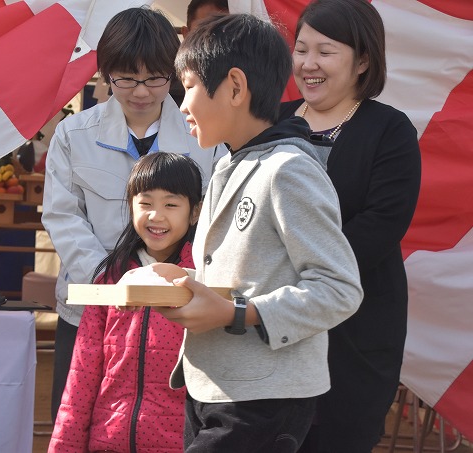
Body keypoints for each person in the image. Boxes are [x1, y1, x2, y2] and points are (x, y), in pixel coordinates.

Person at [153, 14, 364, 452]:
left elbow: (339, 288)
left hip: (265, 398)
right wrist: (183, 284)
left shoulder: (288, 169)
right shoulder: (228, 164)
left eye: (188, 86)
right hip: (212, 387)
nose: (181, 105)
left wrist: (236, 313)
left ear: (233, 86)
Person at [41, 6, 224, 424]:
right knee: (79, 422)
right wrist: (110, 282)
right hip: (90, 309)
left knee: (167, 427)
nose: (141, 91)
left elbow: (212, 219)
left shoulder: (204, 138)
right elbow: (63, 217)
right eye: (126, 78)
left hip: (175, 312)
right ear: (105, 73)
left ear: (175, 73)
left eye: (155, 78)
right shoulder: (74, 135)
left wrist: (172, 282)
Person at [277, 1, 422, 451]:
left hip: (356, 331)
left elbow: (382, 223)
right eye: (301, 50)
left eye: (325, 51)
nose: (308, 64)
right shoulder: (270, 121)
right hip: (274, 324)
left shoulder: (390, 130)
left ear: (363, 60)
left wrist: (306, 273)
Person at [48, 152, 203, 453]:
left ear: (194, 212)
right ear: (131, 206)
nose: (156, 216)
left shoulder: (205, 282)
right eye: (145, 203)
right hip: (108, 441)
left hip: (182, 444)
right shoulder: (109, 280)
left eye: (171, 204)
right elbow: (81, 379)